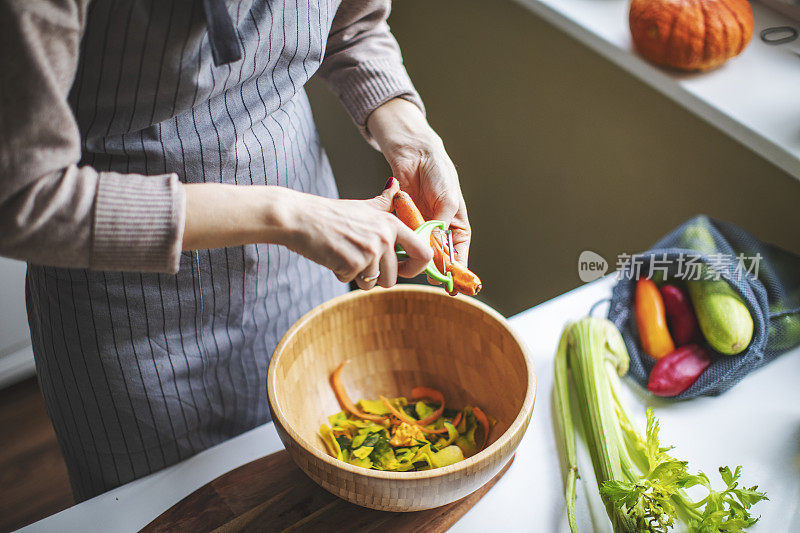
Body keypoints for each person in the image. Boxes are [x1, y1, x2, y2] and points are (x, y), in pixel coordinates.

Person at [0, 0, 471, 500]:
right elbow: (23, 197)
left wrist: (414, 138)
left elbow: (352, 24)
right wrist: (289, 216)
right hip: (131, 318)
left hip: (304, 273)